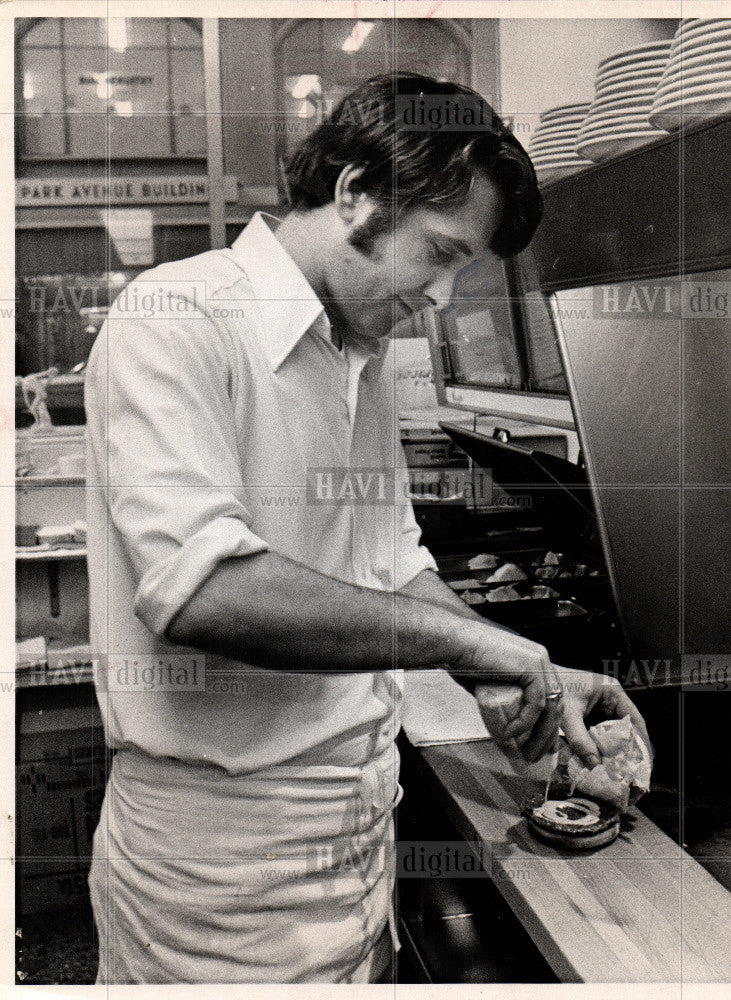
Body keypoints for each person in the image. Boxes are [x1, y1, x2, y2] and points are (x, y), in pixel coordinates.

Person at [84, 72, 649, 984]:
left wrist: (510, 659)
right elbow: (206, 592)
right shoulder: (178, 318)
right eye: (439, 251)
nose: (441, 293)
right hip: (220, 873)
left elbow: (389, 560)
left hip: (355, 845)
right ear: (353, 192)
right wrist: (483, 649)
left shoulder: (360, 350)